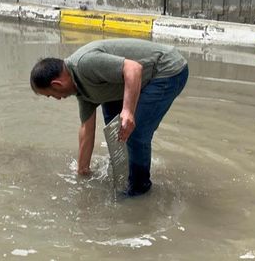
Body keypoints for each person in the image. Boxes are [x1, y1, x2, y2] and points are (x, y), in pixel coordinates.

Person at [30, 38, 189, 196]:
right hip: (133, 79)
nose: (56, 99)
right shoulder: (82, 92)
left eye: (51, 95)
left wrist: (127, 111)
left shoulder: (85, 64)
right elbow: (86, 130)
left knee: (135, 133)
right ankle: (125, 174)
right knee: (115, 129)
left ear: (56, 84)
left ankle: (140, 190)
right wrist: (82, 171)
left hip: (166, 70)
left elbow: (133, 69)